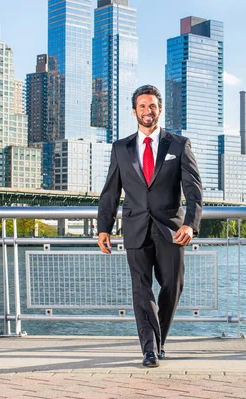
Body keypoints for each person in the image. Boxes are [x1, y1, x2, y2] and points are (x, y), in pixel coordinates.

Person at [97, 85, 203, 367]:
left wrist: (191, 225)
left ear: (160, 109)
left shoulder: (178, 145)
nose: (148, 111)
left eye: (152, 106)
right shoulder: (120, 148)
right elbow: (110, 191)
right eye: (142, 106)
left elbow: (194, 191)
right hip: (135, 227)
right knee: (141, 289)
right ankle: (149, 349)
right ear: (134, 112)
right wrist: (103, 228)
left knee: (173, 285)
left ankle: (159, 340)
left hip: (171, 228)